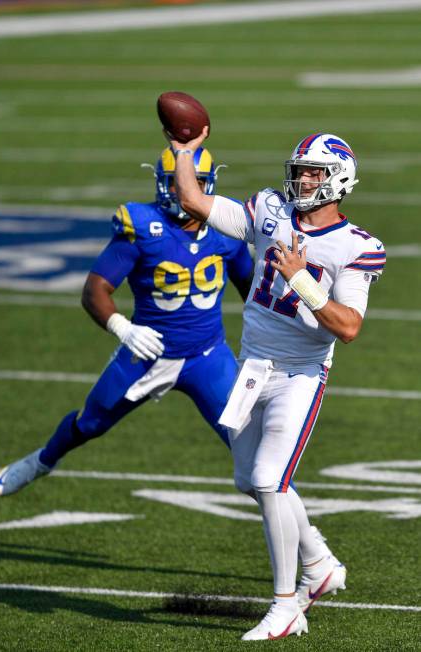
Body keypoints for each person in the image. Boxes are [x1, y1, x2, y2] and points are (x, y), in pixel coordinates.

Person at [0, 143, 345, 616]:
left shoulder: (226, 235)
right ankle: (42, 460)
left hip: (208, 358)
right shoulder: (143, 228)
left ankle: (316, 553)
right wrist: (122, 326)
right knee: (92, 421)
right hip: (148, 353)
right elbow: (95, 288)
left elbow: (256, 289)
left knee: (262, 465)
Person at [166, 129, 385, 640]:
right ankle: (321, 564)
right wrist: (182, 152)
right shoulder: (268, 208)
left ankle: (287, 603)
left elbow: (348, 326)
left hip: (300, 375)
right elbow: (194, 199)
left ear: (339, 181)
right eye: (301, 168)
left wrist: (301, 280)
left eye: (315, 171)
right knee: (250, 480)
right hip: (251, 369)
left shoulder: (357, 246)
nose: (303, 178)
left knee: (269, 479)